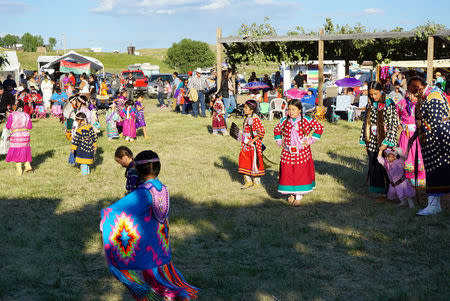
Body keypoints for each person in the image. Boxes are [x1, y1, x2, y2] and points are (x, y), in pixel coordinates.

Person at [100, 150, 199, 300]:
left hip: (147, 249)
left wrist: (105, 220)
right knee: (160, 278)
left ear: (138, 170)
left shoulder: (142, 193)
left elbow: (116, 211)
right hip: (160, 245)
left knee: (149, 284)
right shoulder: (162, 188)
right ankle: (168, 294)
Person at [408, 76, 450, 215]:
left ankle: (434, 205)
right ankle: (434, 204)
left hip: (439, 141)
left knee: (438, 172)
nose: (412, 95)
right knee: (434, 173)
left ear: (418, 88)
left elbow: (436, 121)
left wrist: (421, 126)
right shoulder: (427, 95)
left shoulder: (434, 96)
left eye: (413, 92)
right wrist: (415, 135)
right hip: (432, 141)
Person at [274, 99, 324, 206]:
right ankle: (291, 193)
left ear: (300, 110)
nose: (291, 112)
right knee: (288, 171)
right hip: (288, 151)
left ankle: (299, 196)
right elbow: (277, 130)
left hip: (302, 152)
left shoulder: (306, 120)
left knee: (300, 172)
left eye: (294, 109)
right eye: (289, 109)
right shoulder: (284, 121)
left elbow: (319, 128)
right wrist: (279, 141)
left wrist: (310, 140)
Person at [359, 81, 399, 203]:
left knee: (387, 166)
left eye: (376, 94)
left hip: (386, 139)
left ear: (381, 90)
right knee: (374, 164)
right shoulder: (370, 104)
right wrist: (364, 139)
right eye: (371, 95)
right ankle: (378, 192)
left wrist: (387, 142)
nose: (374, 97)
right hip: (372, 139)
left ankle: (391, 192)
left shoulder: (389, 103)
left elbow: (393, 123)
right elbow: (366, 122)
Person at [396, 93, 426, 187]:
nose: (412, 96)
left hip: (417, 135)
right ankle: (406, 176)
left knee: (418, 154)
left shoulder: (421, 104)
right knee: (405, 154)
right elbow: (395, 113)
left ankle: (419, 177)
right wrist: (398, 123)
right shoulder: (402, 103)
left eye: (414, 94)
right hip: (405, 135)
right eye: (410, 93)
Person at [238, 100, 265, 189]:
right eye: (244, 107)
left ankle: (257, 182)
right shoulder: (247, 117)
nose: (244, 109)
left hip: (253, 146)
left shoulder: (255, 119)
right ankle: (248, 181)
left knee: (254, 162)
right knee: (244, 160)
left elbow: (262, 132)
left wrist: (253, 140)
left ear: (252, 109)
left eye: (246, 108)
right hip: (245, 144)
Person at [5, 100, 33, 175]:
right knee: (25, 150)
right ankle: (27, 165)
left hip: (16, 136)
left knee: (17, 152)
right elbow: (30, 127)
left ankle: (19, 170)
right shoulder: (26, 115)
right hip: (25, 135)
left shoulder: (12, 115)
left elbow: (8, 126)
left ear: (15, 106)